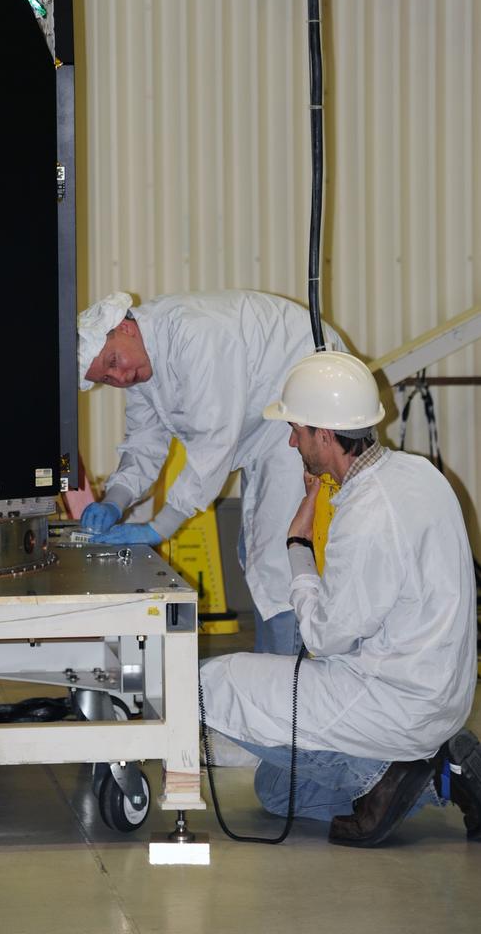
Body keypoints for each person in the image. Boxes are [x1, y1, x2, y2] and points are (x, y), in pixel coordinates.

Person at [200, 350, 481, 847]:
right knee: (274, 793)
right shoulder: (419, 476)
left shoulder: (369, 514)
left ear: (325, 435)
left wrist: (298, 546)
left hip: (393, 700)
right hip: (437, 692)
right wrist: (321, 497)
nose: (291, 440)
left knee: (210, 684)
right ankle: (438, 774)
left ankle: (396, 773)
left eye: (298, 431)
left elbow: (324, 638)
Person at [77, 290, 345, 654]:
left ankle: (289, 685)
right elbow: (144, 441)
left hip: (308, 403)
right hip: (266, 424)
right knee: (255, 550)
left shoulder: (194, 334)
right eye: (107, 378)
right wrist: (115, 499)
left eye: (113, 360)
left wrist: (161, 526)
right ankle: (275, 672)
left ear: (125, 326)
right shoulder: (144, 362)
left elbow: (214, 440)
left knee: (279, 556)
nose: (119, 376)